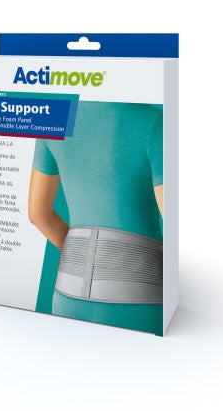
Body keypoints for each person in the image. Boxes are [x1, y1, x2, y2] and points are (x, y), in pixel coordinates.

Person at [28, 101, 163, 334]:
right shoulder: (154, 121)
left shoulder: (53, 118)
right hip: (139, 301)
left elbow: (37, 214)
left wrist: (83, 257)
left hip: (67, 296)